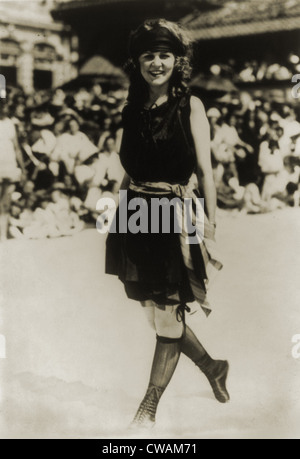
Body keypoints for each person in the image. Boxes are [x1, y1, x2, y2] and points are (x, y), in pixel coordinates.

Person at [105, 19, 229, 429]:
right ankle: (212, 367)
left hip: (174, 216)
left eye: (164, 55)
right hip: (137, 215)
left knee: (167, 315)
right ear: (136, 62)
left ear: (178, 61)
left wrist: (209, 228)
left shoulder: (191, 105)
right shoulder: (131, 109)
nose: (156, 63)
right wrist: (117, 213)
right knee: (156, 313)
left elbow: (207, 173)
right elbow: (128, 168)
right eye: (148, 56)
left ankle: (148, 409)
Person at [0, 101, 26, 241]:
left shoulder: (10, 124)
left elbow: (16, 148)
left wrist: (22, 168)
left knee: (5, 202)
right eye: (2, 107)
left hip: (10, 166)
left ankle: (2, 235)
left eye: (6, 107)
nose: (4, 109)